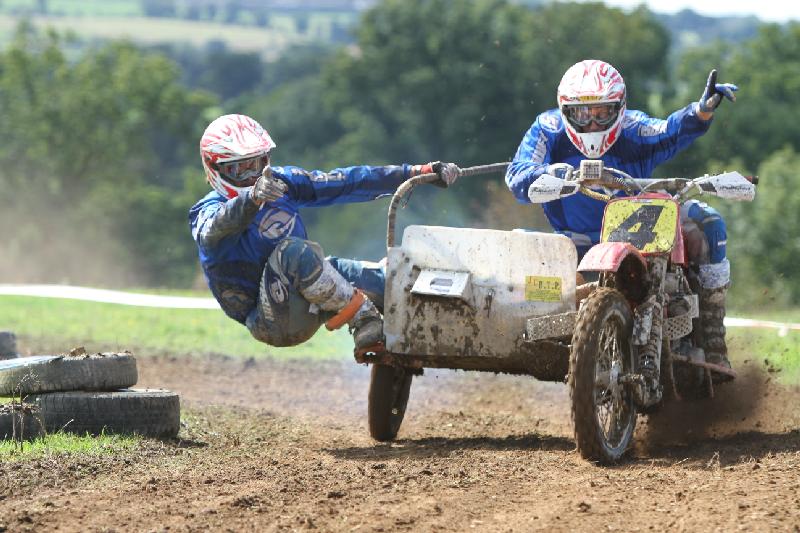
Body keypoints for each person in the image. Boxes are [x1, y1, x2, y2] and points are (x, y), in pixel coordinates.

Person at [505, 59, 738, 375]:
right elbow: (517, 174)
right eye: (581, 113)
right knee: (516, 256)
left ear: (619, 108)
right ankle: (517, 339)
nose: (591, 123)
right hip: (571, 242)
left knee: (708, 224)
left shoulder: (634, 127)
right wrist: (550, 173)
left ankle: (713, 339)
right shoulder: (547, 129)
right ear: (565, 110)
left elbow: (669, 130)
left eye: (602, 113)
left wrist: (699, 113)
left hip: (638, 235)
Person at [190, 114, 459, 354]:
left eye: (258, 163)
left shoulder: (282, 182)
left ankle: (449, 324)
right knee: (294, 252)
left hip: (302, 295)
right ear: (216, 168)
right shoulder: (207, 209)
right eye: (240, 168)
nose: (252, 175)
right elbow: (213, 229)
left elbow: (345, 181)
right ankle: (364, 318)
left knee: (387, 277)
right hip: (270, 319)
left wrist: (415, 172)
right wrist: (251, 199)